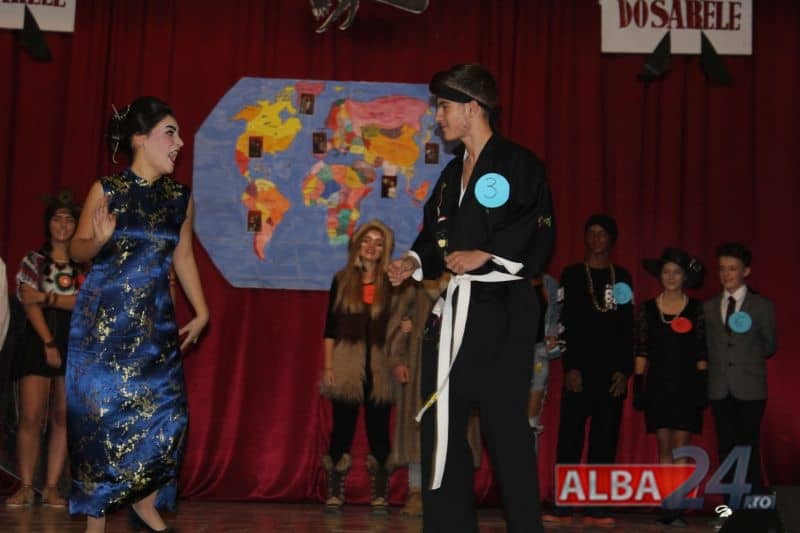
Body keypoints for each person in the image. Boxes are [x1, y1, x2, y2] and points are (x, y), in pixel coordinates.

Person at [389, 63, 554, 533]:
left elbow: (537, 224)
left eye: (444, 106)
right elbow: (435, 236)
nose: (437, 116)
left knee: (505, 427)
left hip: (503, 310)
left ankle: (525, 525)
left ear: (473, 107)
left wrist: (490, 253)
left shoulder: (519, 164)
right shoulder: (450, 175)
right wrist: (413, 262)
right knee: (441, 422)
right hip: (455, 313)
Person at [67, 96, 209, 533]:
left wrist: (202, 311)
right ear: (140, 139)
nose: (179, 143)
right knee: (101, 424)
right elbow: (77, 250)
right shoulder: (107, 190)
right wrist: (99, 240)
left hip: (155, 330)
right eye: (170, 133)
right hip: (102, 330)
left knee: (170, 419)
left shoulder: (180, 198)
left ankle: (144, 505)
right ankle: (96, 525)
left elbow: (183, 255)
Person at [545, 214, 634, 527]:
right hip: (579, 372)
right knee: (569, 439)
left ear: (612, 240)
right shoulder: (572, 275)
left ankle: (598, 506)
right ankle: (563, 504)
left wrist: (624, 370)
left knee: (604, 440)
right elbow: (564, 322)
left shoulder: (621, 277)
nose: (596, 239)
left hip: (611, 375)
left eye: (602, 234)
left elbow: (628, 325)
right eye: (591, 233)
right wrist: (570, 366)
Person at [319, 219, 410, 513]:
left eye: (378, 243)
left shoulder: (393, 283)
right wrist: (328, 368)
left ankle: (380, 491)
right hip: (347, 364)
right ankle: (335, 488)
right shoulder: (342, 280)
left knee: (379, 430)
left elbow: (402, 319)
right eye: (366, 241)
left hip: (380, 367)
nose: (371, 247)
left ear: (385, 250)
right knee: (342, 428)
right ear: (357, 245)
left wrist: (406, 327)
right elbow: (330, 327)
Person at [4, 195, 83, 508]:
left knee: (63, 416)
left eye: (69, 219)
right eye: (57, 218)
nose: (63, 225)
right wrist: (49, 342)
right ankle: (26, 486)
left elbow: (84, 301)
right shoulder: (34, 260)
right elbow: (27, 300)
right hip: (37, 342)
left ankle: (51, 487)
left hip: (74, 342)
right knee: (31, 416)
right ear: (48, 224)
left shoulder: (83, 265)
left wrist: (46, 297)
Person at [387, 274, 483, 518]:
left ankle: (455, 491)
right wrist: (398, 359)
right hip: (421, 369)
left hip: (457, 368)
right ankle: (417, 491)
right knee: (418, 431)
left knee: (456, 429)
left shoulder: (467, 281)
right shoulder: (415, 283)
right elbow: (397, 324)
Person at [633, 247, 707, 527]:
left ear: (685, 276)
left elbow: (701, 351)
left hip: (687, 386)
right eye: (667, 272)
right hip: (659, 386)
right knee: (664, 446)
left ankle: (678, 507)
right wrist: (638, 384)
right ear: (660, 275)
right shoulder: (647, 309)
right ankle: (667, 504)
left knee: (682, 447)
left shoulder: (697, 308)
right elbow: (641, 350)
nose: (671, 277)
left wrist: (702, 384)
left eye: (677, 272)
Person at [704, 242, 776, 506]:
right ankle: (730, 509)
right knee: (726, 450)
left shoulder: (761, 305)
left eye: (732, 268)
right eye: (722, 268)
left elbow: (770, 345)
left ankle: (752, 509)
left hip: (750, 388)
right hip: (720, 388)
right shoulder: (709, 306)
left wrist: (747, 358)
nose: (726, 274)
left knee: (748, 448)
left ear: (746, 271)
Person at [527, 273, 563, 452]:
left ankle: (528, 467)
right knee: (506, 417)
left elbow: (555, 314)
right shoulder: (506, 277)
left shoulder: (549, 283)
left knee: (531, 422)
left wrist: (553, 334)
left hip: (538, 353)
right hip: (510, 355)